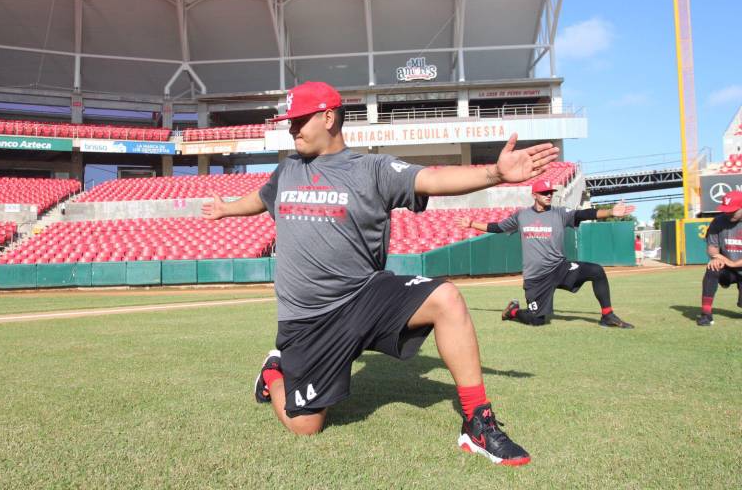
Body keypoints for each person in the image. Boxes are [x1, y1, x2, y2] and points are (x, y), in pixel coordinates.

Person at [202, 81, 560, 465]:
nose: (292, 129)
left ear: (328, 117)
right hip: (307, 321)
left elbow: (431, 179)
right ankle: (274, 370)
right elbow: (259, 199)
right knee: (304, 425)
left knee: (447, 298)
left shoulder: (372, 168)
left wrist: (494, 173)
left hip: (362, 296)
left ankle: (477, 422)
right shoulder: (287, 170)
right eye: (289, 122)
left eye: (299, 120)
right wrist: (226, 209)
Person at [458, 181, 635, 328]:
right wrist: (472, 223)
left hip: (560, 268)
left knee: (596, 271)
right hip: (536, 277)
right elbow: (497, 227)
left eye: (550, 192)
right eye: (544, 192)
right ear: (534, 195)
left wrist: (610, 212)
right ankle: (512, 311)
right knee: (536, 320)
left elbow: (583, 213)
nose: (548, 195)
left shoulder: (560, 213)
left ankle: (607, 315)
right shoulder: (522, 216)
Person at [698, 190, 742, 326]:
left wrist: (733, 263)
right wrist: (715, 257)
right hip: (728, 269)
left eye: (733, 210)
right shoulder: (718, 221)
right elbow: (712, 246)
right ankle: (706, 314)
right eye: (726, 210)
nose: (728, 213)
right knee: (712, 268)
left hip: (736, 265)